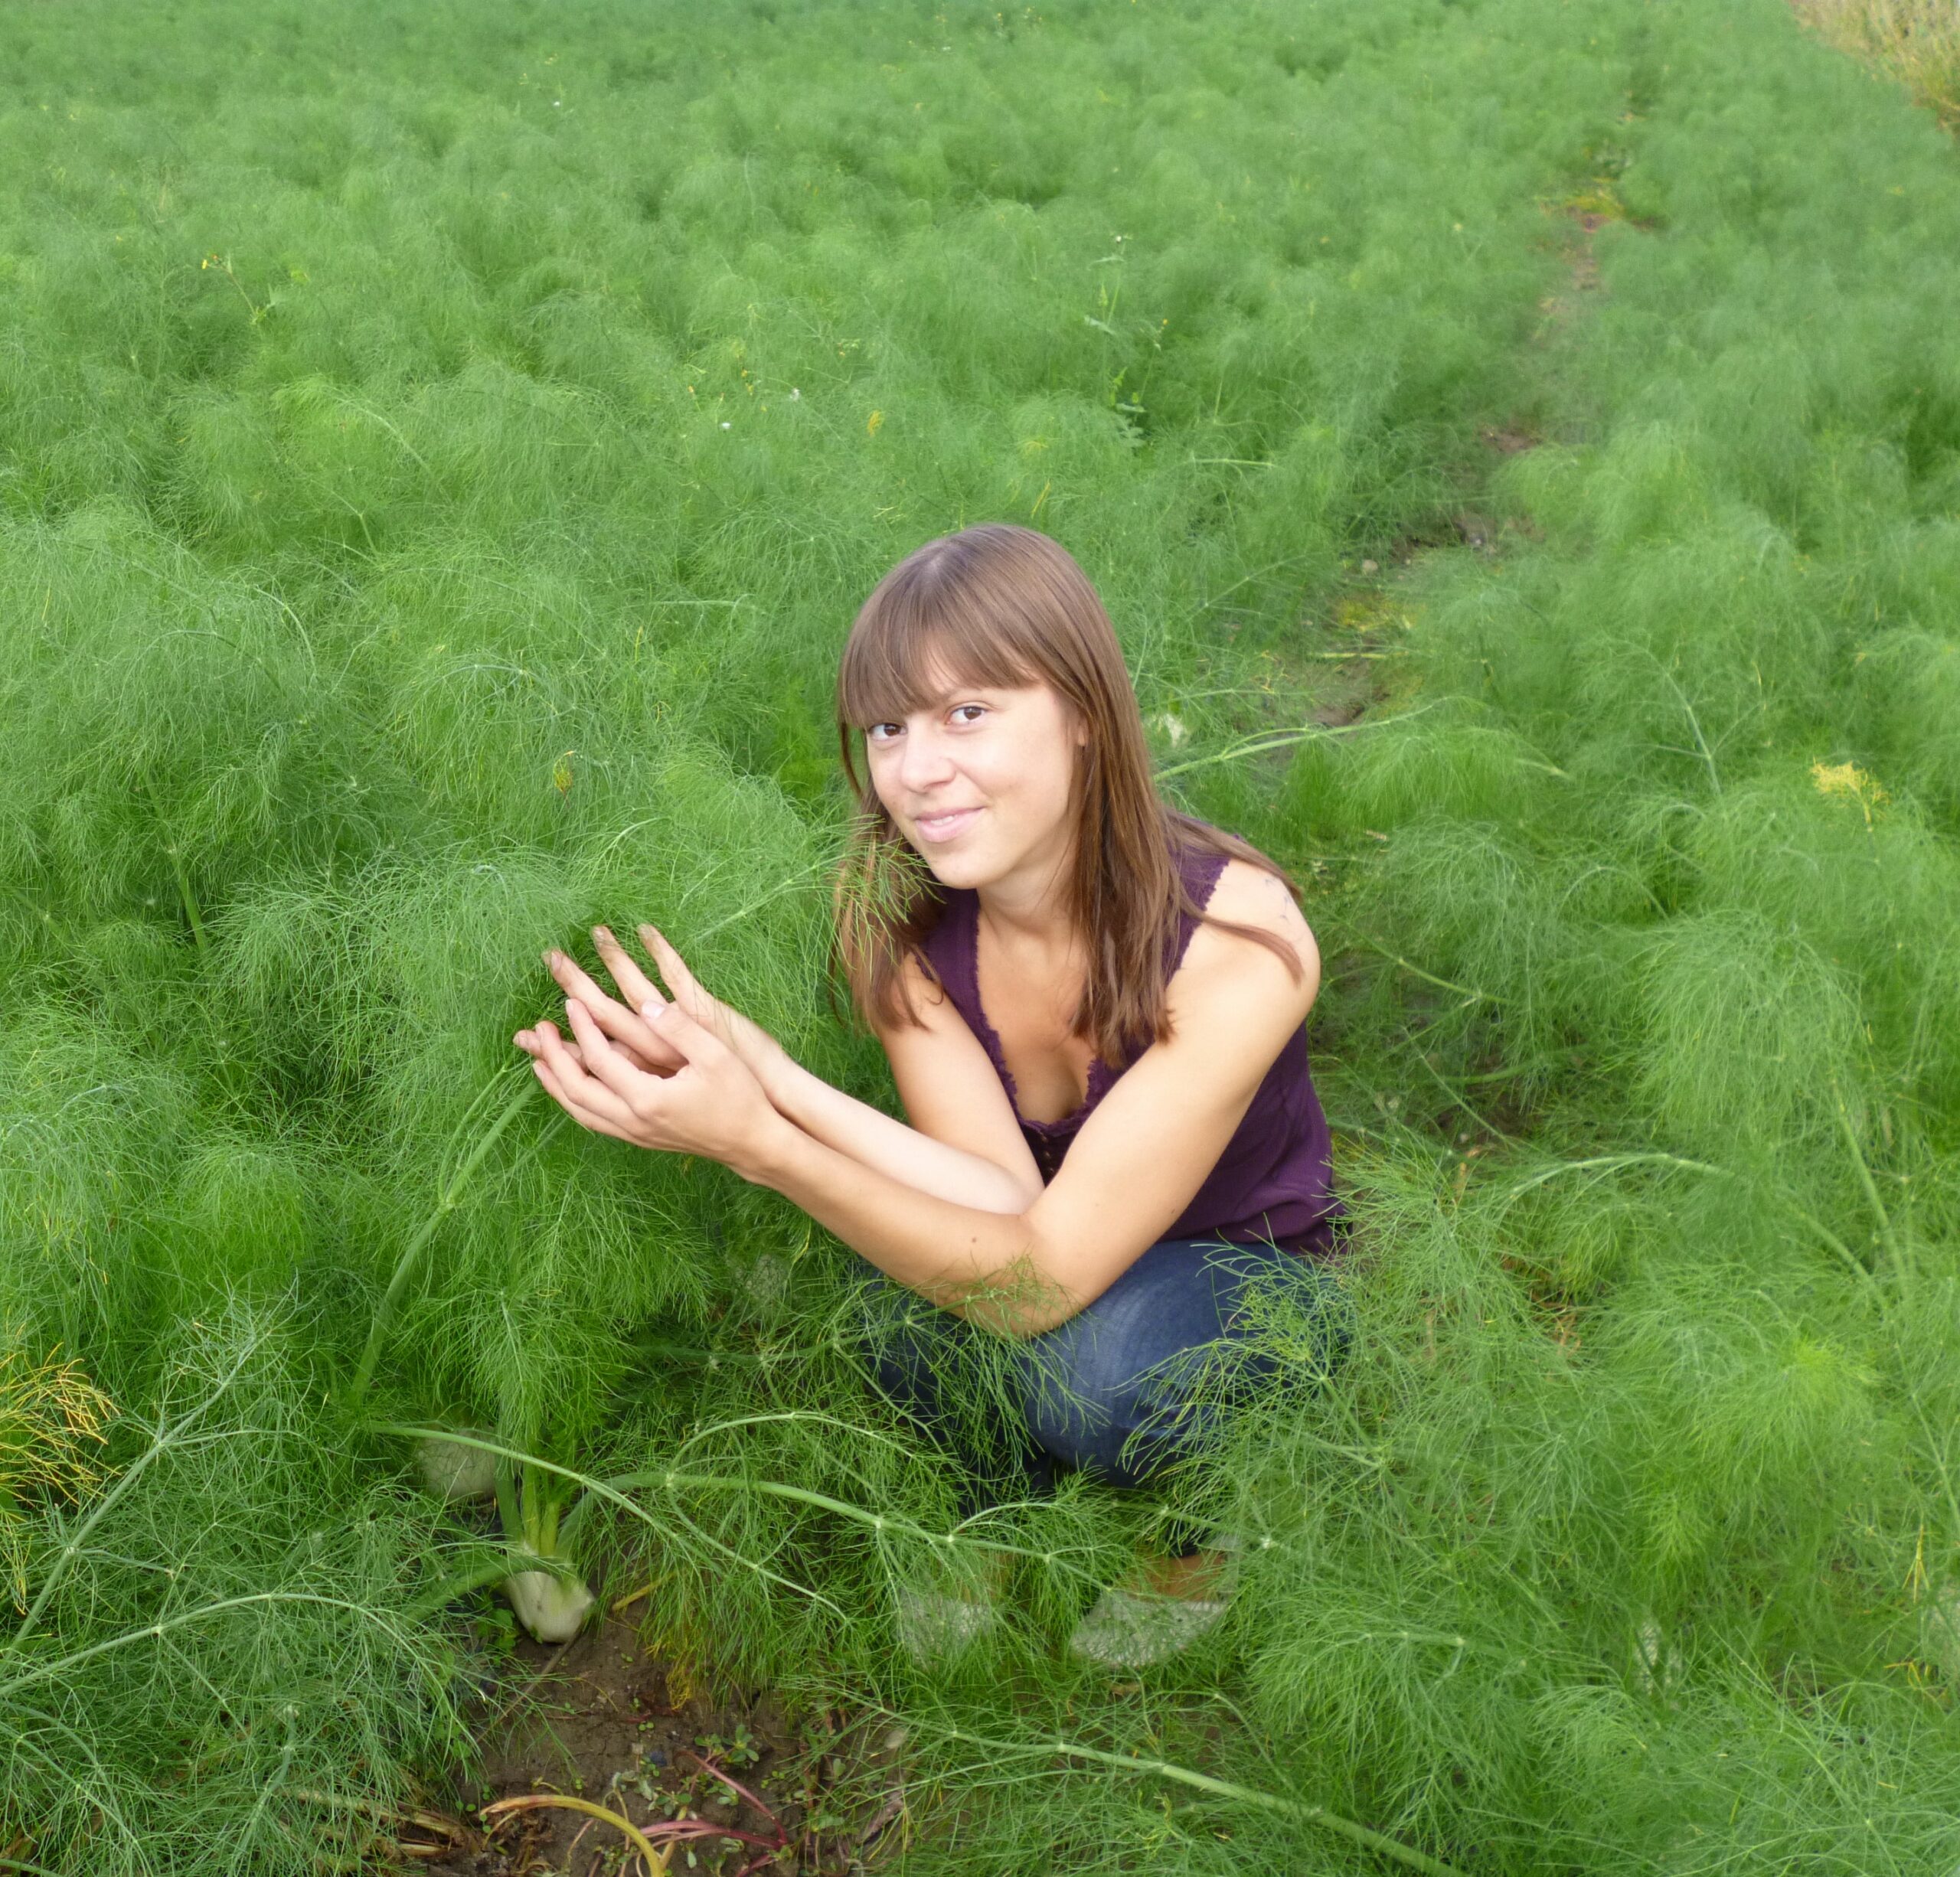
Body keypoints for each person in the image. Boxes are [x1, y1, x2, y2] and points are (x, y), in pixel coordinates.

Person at [513, 524, 1352, 1665]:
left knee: (1097, 1378)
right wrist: (765, 1072)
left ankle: (1201, 1537)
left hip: (1248, 1274)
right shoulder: (900, 918)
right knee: (885, 1310)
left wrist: (764, 1145)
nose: (915, 769)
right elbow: (1000, 1189)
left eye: (968, 714)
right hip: (1051, 1240)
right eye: (889, 727)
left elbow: (1037, 1277)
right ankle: (993, 1522)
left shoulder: (1239, 938)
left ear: (1083, 714)